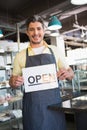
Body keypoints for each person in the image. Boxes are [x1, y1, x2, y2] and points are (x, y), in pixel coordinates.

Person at [9, 15, 74, 130]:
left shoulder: (54, 50)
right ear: (27, 32)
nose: (36, 33)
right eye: (32, 29)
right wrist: (14, 82)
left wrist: (68, 74)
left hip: (54, 107)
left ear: (44, 30)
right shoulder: (20, 56)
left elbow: (70, 73)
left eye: (39, 29)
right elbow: (12, 82)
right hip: (33, 110)